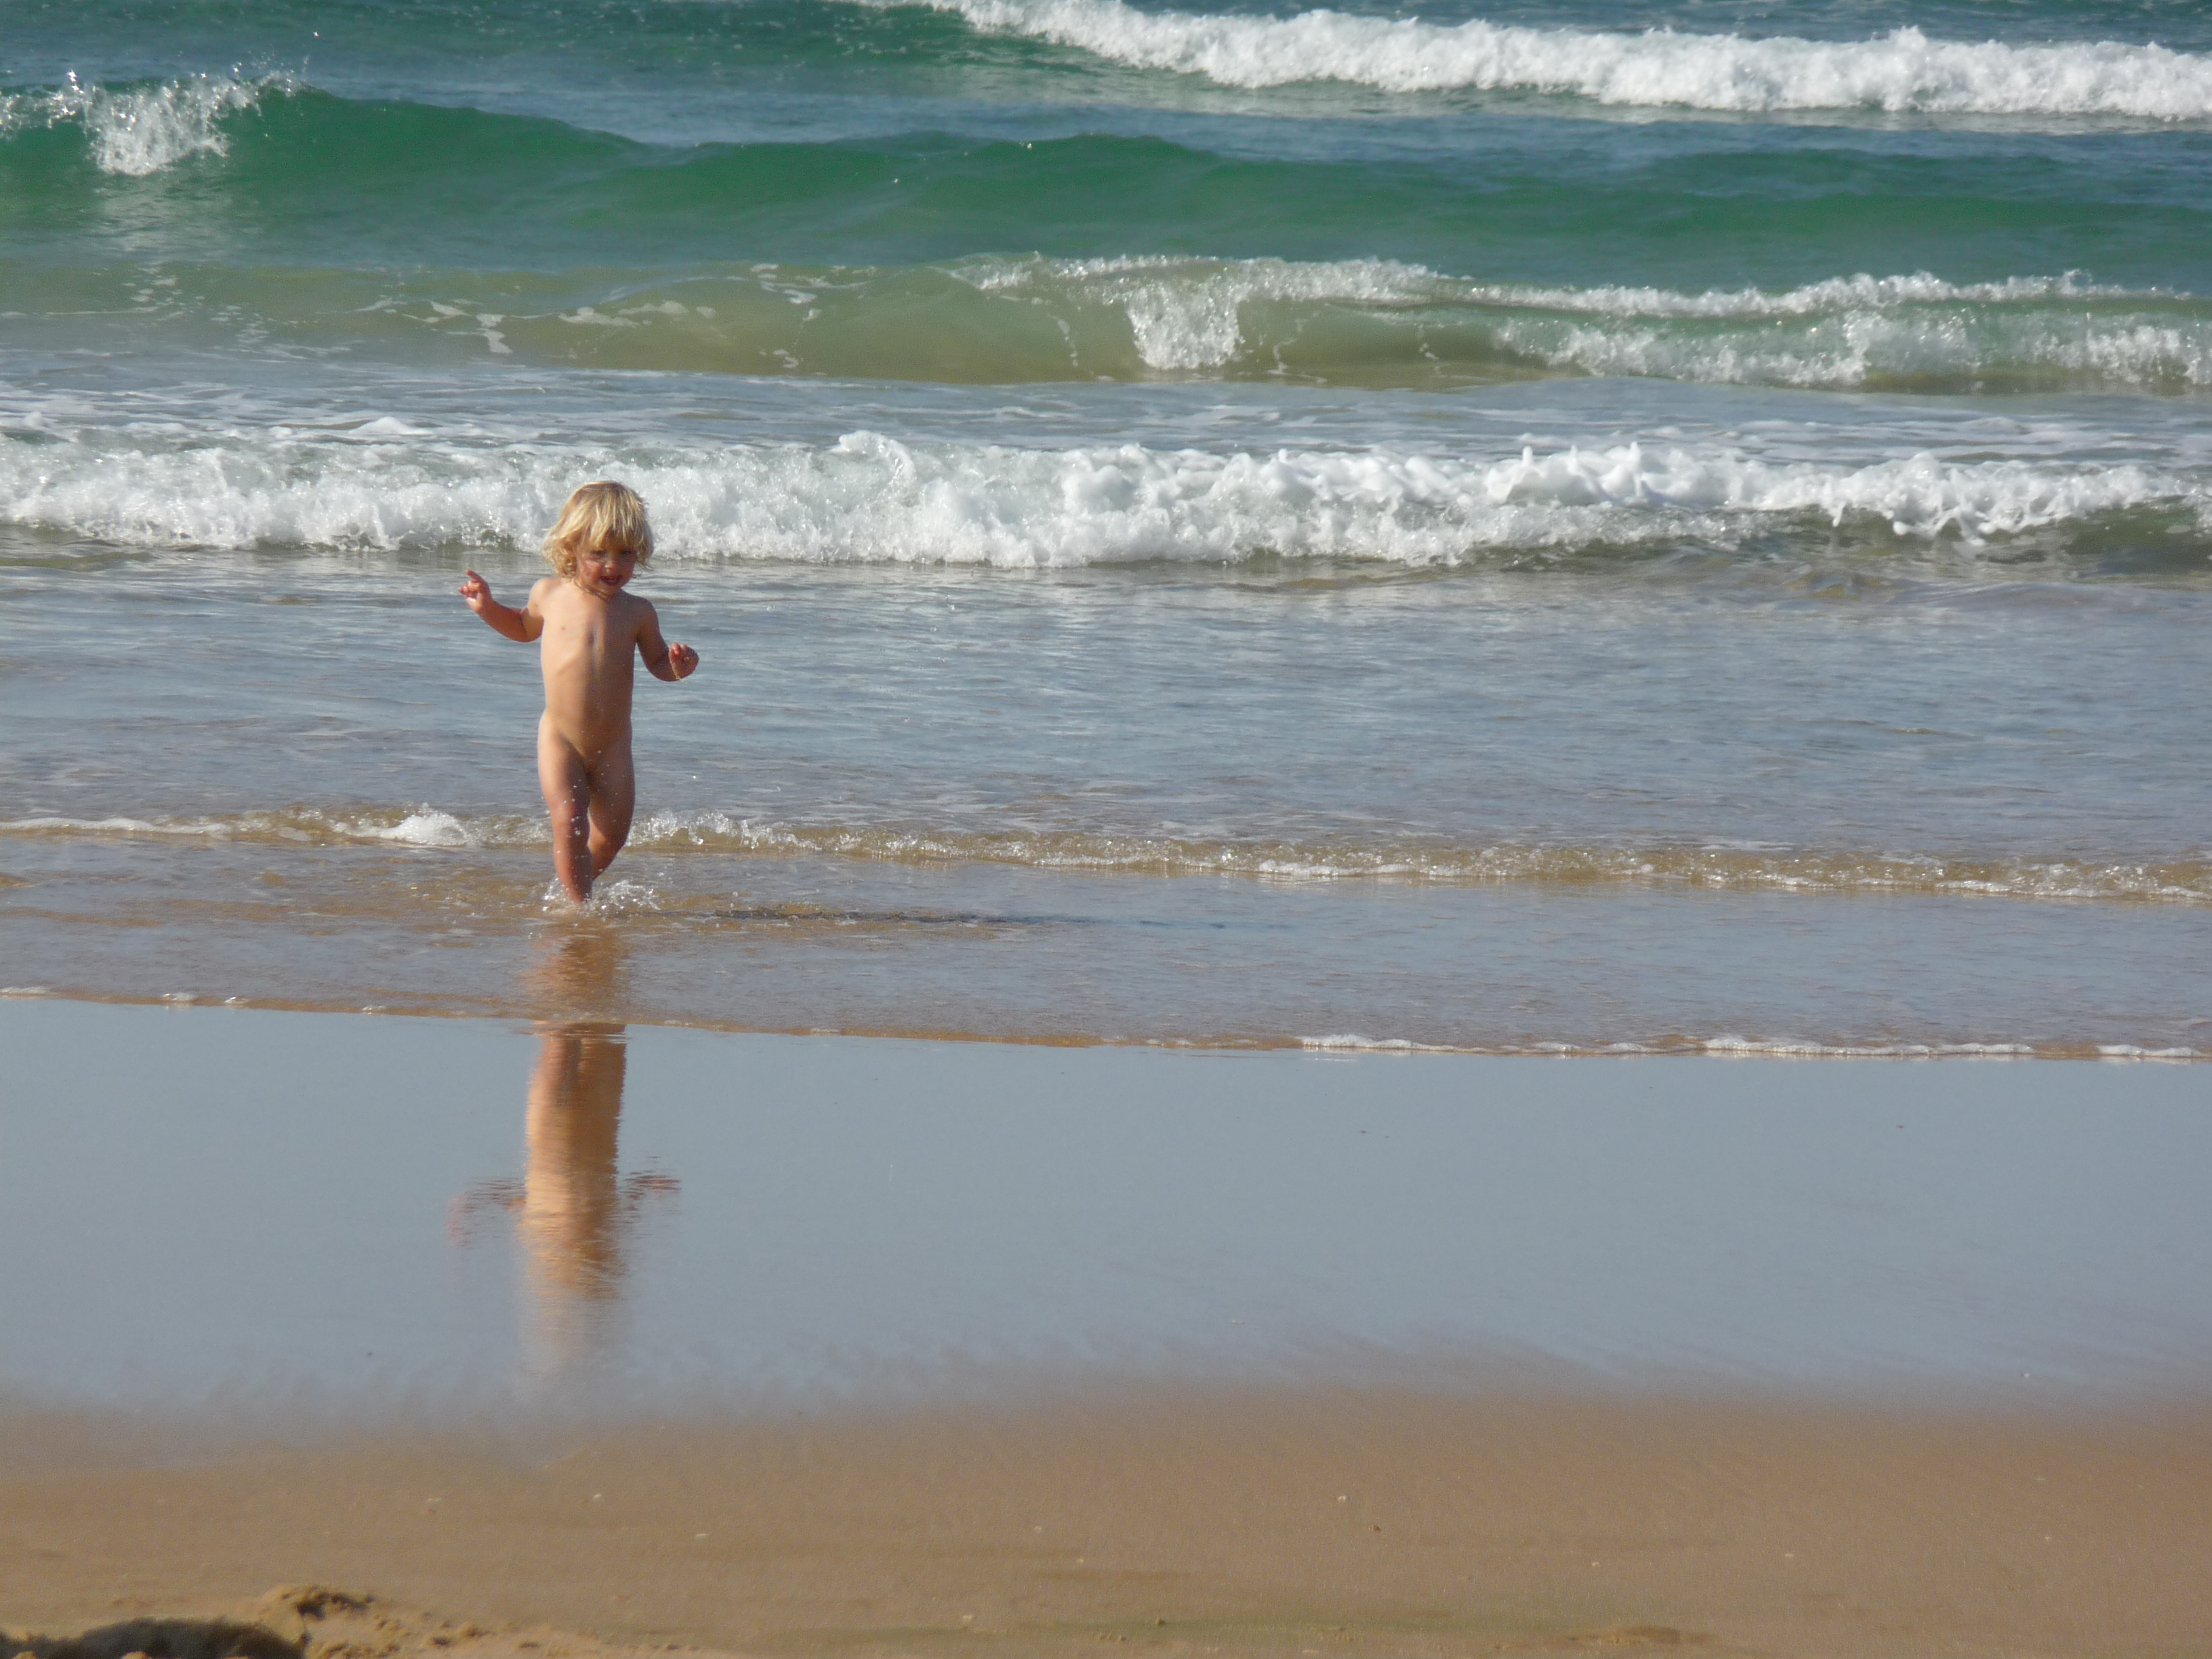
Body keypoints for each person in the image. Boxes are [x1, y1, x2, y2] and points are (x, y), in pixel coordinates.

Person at [459, 481, 699, 903]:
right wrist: (488, 609)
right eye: (599, 553)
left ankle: (570, 884)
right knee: (570, 819)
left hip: (613, 745)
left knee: (612, 836)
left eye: (625, 553)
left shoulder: (638, 611)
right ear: (571, 548)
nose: (613, 565)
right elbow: (521, 627)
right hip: (561, 740)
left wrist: (679, 668)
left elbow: (659, 664)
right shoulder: (549, 594)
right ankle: (578, 910)